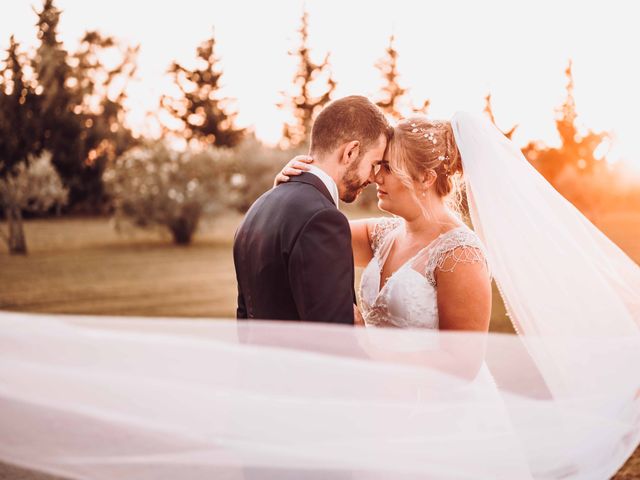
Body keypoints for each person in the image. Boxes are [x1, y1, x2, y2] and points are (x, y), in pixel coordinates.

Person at [276, 116, 492, 332]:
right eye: (378, 166)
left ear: (426, 178)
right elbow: (307, 232)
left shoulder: (461, 256)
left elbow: (462, 363)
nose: (376, 178)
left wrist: (364, 341)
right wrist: (293, 189)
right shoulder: (380, 235)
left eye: (388, 168)